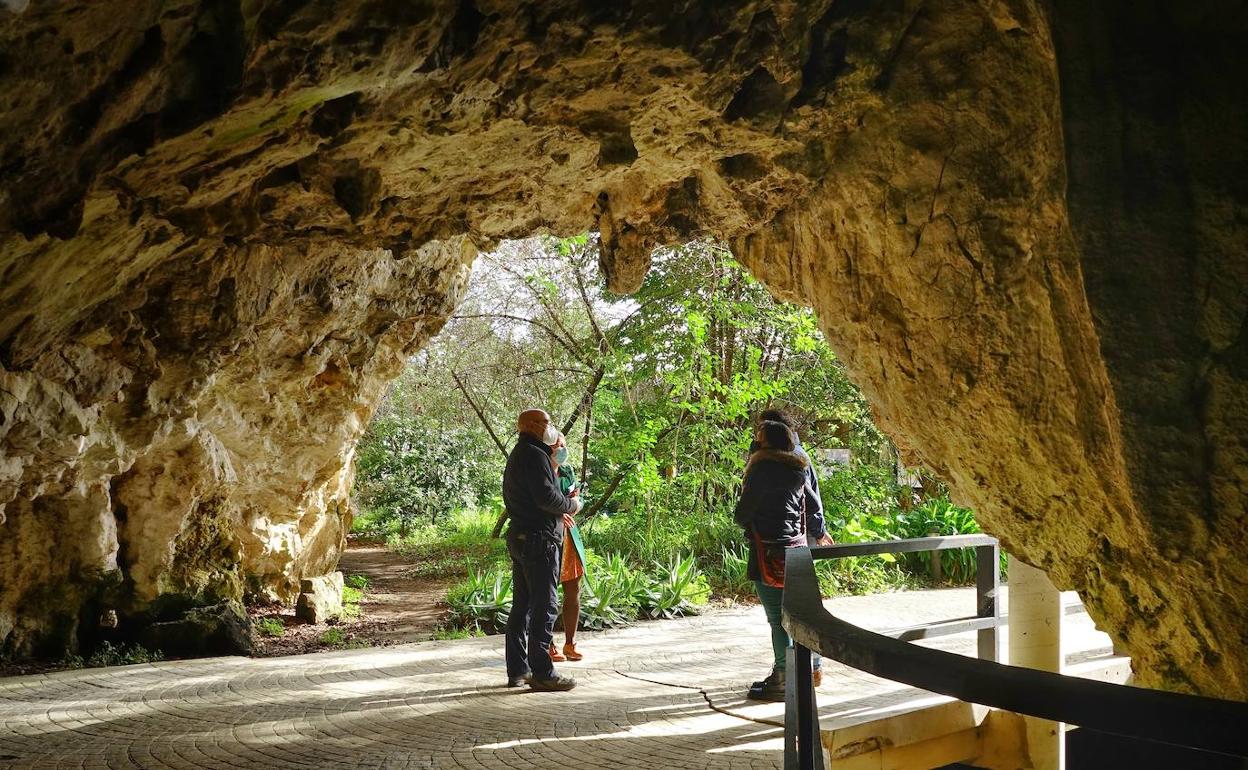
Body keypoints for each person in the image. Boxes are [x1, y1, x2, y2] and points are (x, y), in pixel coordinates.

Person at [735, 420, 832, 701]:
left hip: (767, 552)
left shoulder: (761, 470)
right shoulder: (798, 468)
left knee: (777, 619)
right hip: (797, 550)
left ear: (766, 444)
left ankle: (782, 678)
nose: (754, 441)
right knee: (800, 615)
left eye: (758, 438)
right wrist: (821, 532)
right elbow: (813, 506)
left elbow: (742, 515)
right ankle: (811, 669)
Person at [502, 409, 582, 691]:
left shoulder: (519, 453)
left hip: (521, 537)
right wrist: (573, 506)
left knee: (522, 607)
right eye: (547, 422)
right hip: (540, 540)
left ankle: (517, 670)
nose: (551, 427)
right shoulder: (535, 455)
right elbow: (547, 497)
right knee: (544, 606)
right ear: (533, 426)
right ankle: (543, 672)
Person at [545, 431, 587, 663]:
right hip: (549, 535)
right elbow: (542, 501)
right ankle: (548, 643)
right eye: (557, 445)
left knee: (573, 589)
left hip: (569, 535)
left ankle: (570, 643)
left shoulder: (567, 471)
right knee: (546, 592)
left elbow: (576, 498)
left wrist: (572, 507)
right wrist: (561, 511)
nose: (562, 448)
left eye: (564, 444)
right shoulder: (539, 471)